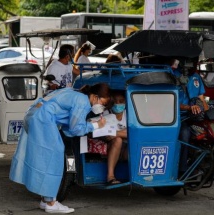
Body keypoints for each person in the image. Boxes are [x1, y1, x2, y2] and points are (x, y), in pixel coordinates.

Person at [9, 83, 111, 214]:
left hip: (33, 115)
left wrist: (87, 124)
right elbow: (75, 129)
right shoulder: (83, 102)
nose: (102, 108)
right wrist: (96, 126)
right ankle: (51, 203)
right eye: (103, 103)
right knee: (54, 158)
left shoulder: (74, 93)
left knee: (44, 159)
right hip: (43, 120)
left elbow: (69, 126)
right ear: (95, 97)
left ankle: (45, 199)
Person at [172, 59, 209, 173]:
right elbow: (170, 101)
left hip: (196, 117)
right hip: (179, 118)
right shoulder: (173, 75)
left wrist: (209, 113)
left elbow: (201, 99)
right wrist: (188, 107)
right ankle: (182, 169)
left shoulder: (196, 77)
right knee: (185, 134)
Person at [98, 91, 127, 185]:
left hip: (126, 148)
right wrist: (120, 134)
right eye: (115, 101)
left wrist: (115, 133)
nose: (118, 104)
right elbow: (106, 135)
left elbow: (133, 133)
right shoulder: (105, 114)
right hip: (110, 146)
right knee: (118, 140)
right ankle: (110, 176)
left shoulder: (129, 114)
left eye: (121, 101)